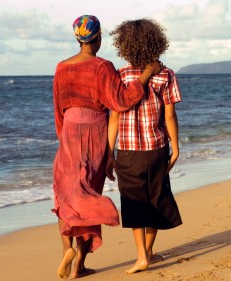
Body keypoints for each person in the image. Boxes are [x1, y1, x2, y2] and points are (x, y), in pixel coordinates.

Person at [52, 15, 161, 279]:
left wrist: (64, 137)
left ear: (77, 38)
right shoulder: (103, 66)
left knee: (66, 194)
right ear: (98, 38)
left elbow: (58, 109)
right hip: (95, 133)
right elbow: (121, 101)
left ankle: (68, 250)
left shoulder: (61, 67)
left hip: (69, 131)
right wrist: (146, 74)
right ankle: (79, 264)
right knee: (88, 190)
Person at [107, 18, 183, 274]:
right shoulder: (167, 74)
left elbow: (115, 116)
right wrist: (176, 145)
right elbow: (170, 116)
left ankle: (142, 256)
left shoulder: (120, 75)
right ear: (156, 42)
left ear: (125, 45)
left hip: (128, 150)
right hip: (157, 147)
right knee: (156, 199)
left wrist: (109, 151)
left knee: (134, 202)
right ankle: (148, 252)